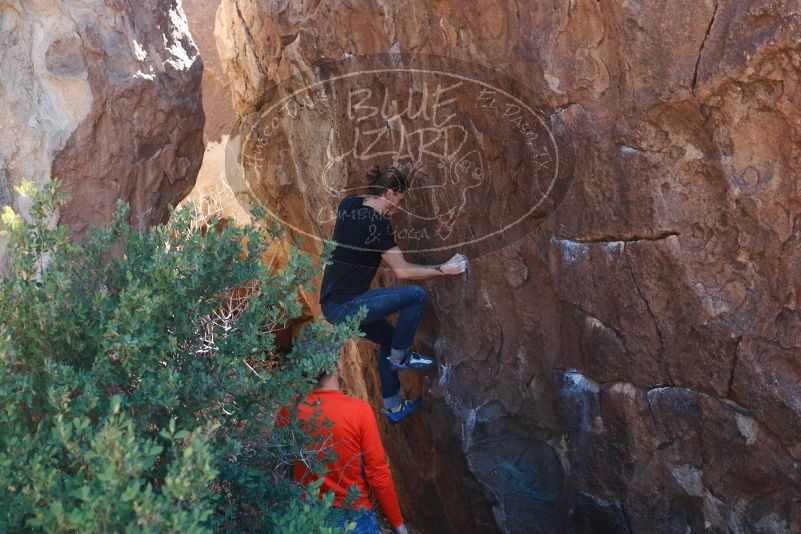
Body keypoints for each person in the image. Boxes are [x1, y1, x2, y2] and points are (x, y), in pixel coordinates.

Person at [319, 165, 467, 423]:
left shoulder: (349, 204)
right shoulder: (378, 224)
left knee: (389, 340)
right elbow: (401, 270)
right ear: (389, 193)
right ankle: (401, 358)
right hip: (348, 306)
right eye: (400, 198)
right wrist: (443, 269)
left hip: (332, 304)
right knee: (415, 296)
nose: (400, 206)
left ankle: (394, 407)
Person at [283, 370, 409, 534]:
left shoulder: (290, 409)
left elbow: (283, 463)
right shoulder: (359, 410)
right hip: (354, 515)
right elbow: (377, 473)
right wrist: (398, 524)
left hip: (307, 515)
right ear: (335, 365)